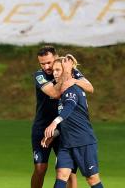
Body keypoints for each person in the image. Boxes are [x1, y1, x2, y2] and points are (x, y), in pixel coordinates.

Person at [31, 46, 94, 188]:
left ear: (56, 58)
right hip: (43, 127)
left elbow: (90, 87)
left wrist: (74, 80)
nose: (46, 66)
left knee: (69, 171)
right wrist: (66, 75)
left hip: (65, 128)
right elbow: (54, 93)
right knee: (40, 168)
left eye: (49, 62)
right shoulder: (39, 75)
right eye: (42, 63)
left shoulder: (72, 72)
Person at [43, 55, 103, 188]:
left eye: (58, 70)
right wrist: (54, 133)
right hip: (67, 143)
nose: (54, 73)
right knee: (61, 174)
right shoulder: (63, 91)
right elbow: (68, 121)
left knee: (92, 179)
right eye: (54, 70)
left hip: (83, 141)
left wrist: (54, 123)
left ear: (67, 70)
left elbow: (69, 107)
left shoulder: (72, 89)